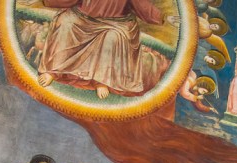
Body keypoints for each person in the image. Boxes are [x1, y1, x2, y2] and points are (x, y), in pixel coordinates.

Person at [36, 0, 178, 98]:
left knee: (112, 38)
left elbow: (144, 7)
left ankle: (101, 81)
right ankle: (54, 71)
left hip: (116, 23)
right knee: (65, 22)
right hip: (83, 18)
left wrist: (165, 17)